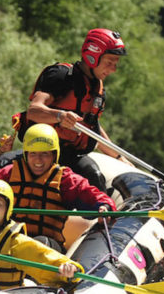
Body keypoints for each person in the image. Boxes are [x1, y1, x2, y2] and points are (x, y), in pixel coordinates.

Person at [15, 28, 129, 190]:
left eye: (116, 64)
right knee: (4, 163)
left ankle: (103, 214)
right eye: (109, 62)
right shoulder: (62, 76)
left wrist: (120, 157)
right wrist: (60, 116)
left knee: (96, 179)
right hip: (40, 153)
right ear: (92, 57)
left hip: (71, 157)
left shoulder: (98, 90)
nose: (113, 69)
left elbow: (93, 130)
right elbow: (34, 110)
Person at [0, 123, 116, 253]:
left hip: (48, 247)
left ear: (54, 155)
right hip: (10, 242)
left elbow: (95, 197)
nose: (38, 160)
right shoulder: (6, 175)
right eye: (33, 153)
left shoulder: (65, 180)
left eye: (45, 154)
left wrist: (105, 207)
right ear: (26, 155)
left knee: (38, 243)